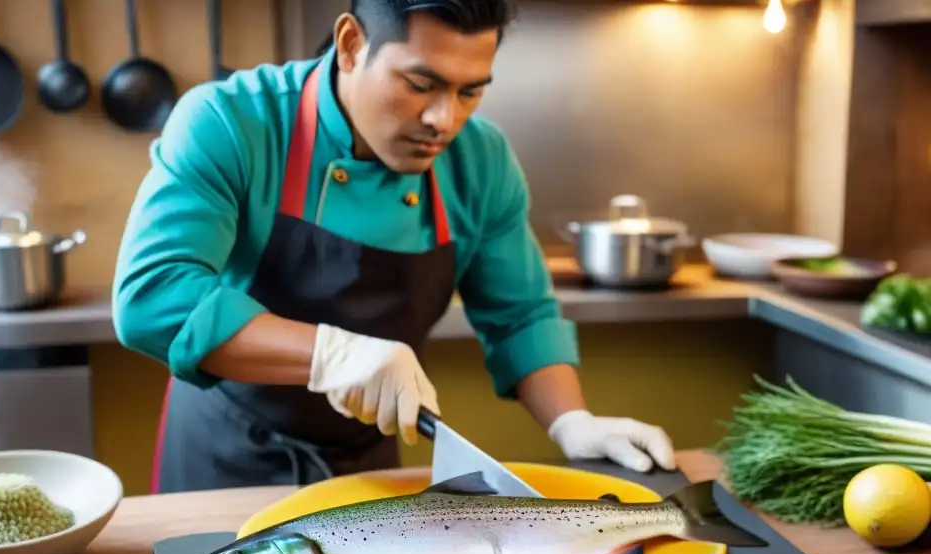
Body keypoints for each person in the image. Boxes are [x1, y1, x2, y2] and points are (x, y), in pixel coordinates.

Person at [112, 0, 676, 494]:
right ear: (352, 45)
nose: (443, 120)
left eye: (471, 91)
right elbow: (153, 295)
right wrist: (332, 355)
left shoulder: (481, 162)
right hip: (226, 459)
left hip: (370, 467)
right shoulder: (231, 122)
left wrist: (571, 422)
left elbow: (520, 315)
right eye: (420, 84)